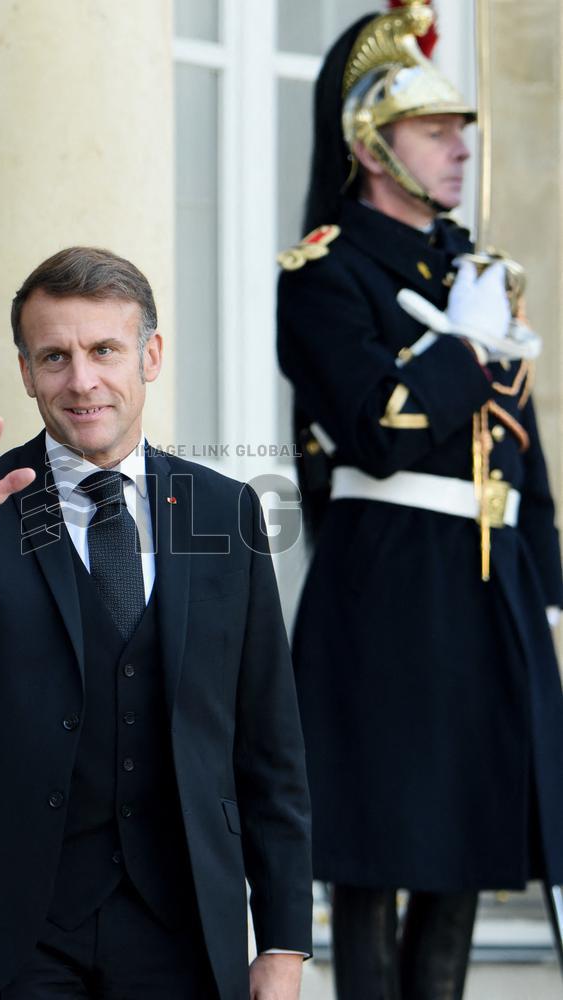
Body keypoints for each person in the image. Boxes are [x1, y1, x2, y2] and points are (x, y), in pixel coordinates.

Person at [0, 246, 312, 1000]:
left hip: (181, 919)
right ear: (27, 373)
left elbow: (269, 740)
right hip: (9, 916)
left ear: (150, 355)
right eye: (54, 357)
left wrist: (285, 941)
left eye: (104, 350)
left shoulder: (224, 511)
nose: (82, 380)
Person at [276, 4, 563, 999]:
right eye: (434, 131)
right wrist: (461, 351)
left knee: (467, 857)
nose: (458, 149)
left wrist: (548, 592)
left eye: (460, 133)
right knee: (372, 860)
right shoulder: (323, 275)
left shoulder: (475, 273)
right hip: (384, 586)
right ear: (370, 144)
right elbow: (378, 430)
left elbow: (523, 460)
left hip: (490, 586)